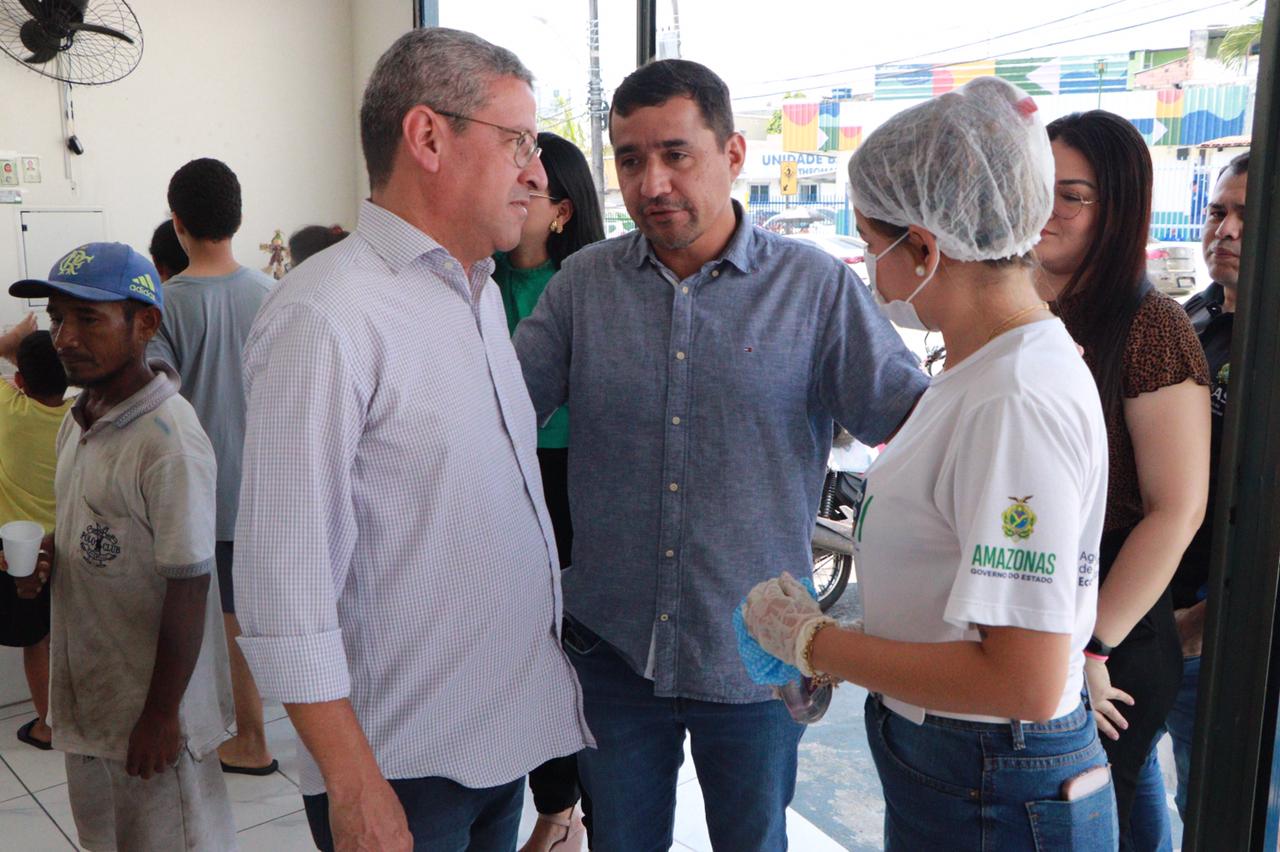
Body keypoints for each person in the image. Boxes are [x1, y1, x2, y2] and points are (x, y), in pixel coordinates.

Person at [513, 59, 928, 851]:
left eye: (677, 154)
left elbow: (913, 428)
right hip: (613, 651)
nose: (652, 183)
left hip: (759, 654)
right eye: (630, 159)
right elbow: (492, 419)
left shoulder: (813, 289)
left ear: (734, 153)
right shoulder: (583, 287)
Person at [234, 28, 592, 852]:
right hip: (399, 764)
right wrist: (352, 781)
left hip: (493, 741)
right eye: (519, 142)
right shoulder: (327, 316)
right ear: (428, 137)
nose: (537, 174)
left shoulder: (477, 292)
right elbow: (285, 586)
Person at [743, 75, 1117, 851]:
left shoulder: (1014, 398)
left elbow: (1024, 681)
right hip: (959, 760)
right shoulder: (981, 370)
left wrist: (816, 641)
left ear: (923, 247)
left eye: (869, 243)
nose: (868, 269)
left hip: (992, 774)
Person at [5, 242, 235, 851]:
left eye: (88, 319)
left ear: (145, 323)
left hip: (153, 715)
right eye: (58, 318)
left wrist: (161, 716)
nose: (64, 338)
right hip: (92, 705)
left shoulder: (168, 441)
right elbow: (96, 533)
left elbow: (190, 583)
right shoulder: (79, 419)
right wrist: (48, 556)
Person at [1038, 110, 1211, 850]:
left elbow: (1178, 509)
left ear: (1118, 210)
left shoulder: (1152, 325)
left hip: (1111, 617)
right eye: (1036, 184)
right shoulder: (1019, 308)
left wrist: (1092, 646)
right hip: (1033, 598)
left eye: (1072, 195)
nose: (1046, 208)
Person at [493, 130, 603, 852]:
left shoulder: (584, 288)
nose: (514, 192)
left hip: (570, 478)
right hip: (501, 472)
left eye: (530, 187)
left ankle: (570, 811)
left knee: (571, 647)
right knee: (520, 643)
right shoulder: (479, 275)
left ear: (562, 211)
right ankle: (555, 804)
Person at [148, 157, 276, 777]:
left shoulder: (163, 306)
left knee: (231, 627)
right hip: (274, 487)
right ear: (238, 218)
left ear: (178, 224)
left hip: (209, 492)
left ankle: (252, 739)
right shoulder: (273, 294)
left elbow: (156, 404)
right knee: (275, 617)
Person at [1164, 150, 1249, 820]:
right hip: (1153, 617)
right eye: (1218, 212)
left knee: (1219, 811)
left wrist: (1202, 623)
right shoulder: (1195, 316)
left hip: (1221, 639)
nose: (1227, 230)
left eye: (1248, 216)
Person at [0, 316, 73, 751]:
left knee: (37, 641)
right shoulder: (80, 418)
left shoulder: (10, 412)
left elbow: (18, 382)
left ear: (21, 381)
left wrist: (9, 342)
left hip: (22, 552)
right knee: (69, 634)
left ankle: (47, 725)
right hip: (70, 547)